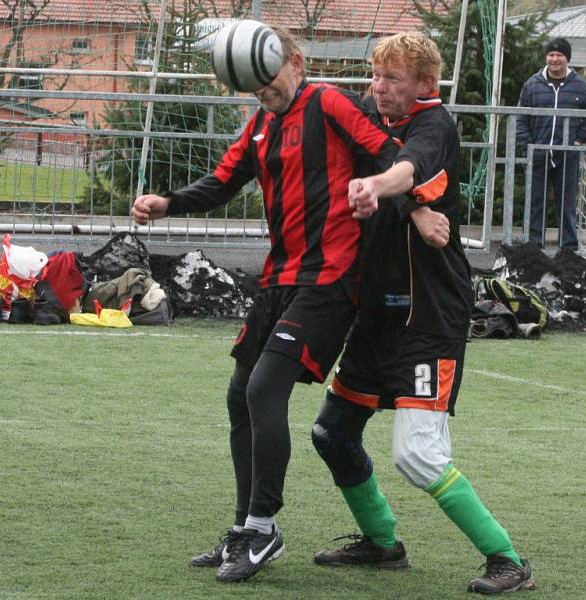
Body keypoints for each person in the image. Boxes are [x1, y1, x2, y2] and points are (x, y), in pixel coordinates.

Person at [130, 28, 397, 583]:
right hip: (280, 279)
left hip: (330, 279)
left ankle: (264, 527)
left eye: (268, 81)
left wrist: (392, 197)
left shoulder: (327, 102)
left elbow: (390, 153)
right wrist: (168, 202)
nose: (263, 93)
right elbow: (223, 182)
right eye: (252, 87)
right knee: (238, 395)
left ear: (294, 62)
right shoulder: (261, 125)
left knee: (262, 390)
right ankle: (243, 530)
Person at [310, 32, 535, 595]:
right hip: (377, 312)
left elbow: (405, 169)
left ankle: (508, 561)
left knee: (416, 454)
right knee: (332, 432)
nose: (378, 87)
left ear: (425, 86)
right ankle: (382, 544)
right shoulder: (372, 112)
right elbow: (346, 134)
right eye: (375, 74)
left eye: (392, 79)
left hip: (428, 313)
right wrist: (411, 210)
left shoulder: (437, 125)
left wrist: (382, 190)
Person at [516, 37, 586, 251]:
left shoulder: (580, 86)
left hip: (568, 156)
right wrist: (528, 145)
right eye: (551, 55)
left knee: (567, 204)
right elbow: (521, 118)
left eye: (559, 55)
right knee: (536, 203)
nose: (554, 59)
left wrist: (578, 141)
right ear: (546, 58)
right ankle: (534, 248)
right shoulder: (532, 85)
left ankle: (568, 249)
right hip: (538, 153)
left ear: (567, 59)